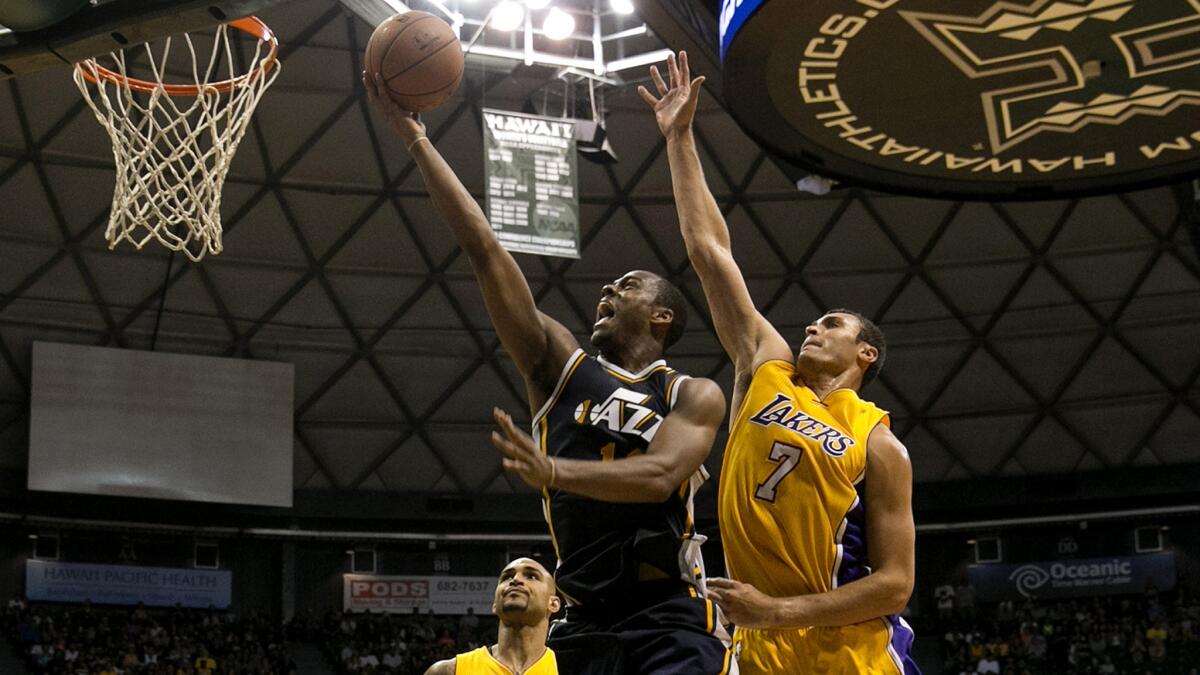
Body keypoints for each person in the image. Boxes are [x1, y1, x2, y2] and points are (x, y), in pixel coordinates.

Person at [366, 71, 732, 675]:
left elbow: (663, 474)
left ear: (663, 316)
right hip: (583, 617)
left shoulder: (690, 393)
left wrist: (555, 470)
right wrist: (417, 142)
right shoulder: (562, 366)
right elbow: (485, 251)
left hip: (667, 609)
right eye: (610, 284)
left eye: (629, 285)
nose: (609, 288)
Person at [639, 51, 920, 674]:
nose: (813, 327)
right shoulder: (767, 367)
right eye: (814, 322)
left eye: (833, 324)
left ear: (866, 353)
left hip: (852, 653)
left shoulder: (879, 443)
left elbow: (896, 586)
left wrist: (777, 612)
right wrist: (680, 140)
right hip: (757, 645)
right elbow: (710, 251)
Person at [426, 558, 559, 674]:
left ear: (553, 604)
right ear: (494, 604)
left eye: (531, 576)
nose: (516, 580)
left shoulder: (568, 668)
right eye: (507, 577)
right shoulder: (449, 671)